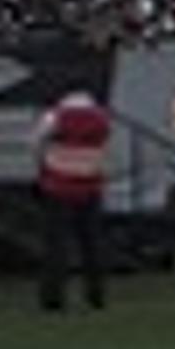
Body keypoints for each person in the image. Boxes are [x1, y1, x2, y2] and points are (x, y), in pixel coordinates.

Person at [32, 86, 113, 311]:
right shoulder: (101, 118)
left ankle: (53, 298)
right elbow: (104, 146)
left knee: (56, 245)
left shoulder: (55, 117)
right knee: (92, 244)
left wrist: (41, 167)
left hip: (57, 185)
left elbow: (36, 143)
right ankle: (96, 295)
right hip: (90, 184)